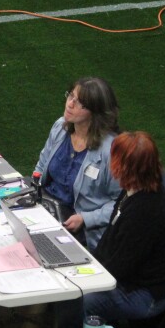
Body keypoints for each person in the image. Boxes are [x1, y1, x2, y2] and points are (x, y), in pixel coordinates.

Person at [85, 131, 165, 323]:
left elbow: (121, 266)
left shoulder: (145, 211)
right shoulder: (133, 191)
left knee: (80, 301)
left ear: (125, 167)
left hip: (146, 294)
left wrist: (86, 278)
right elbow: (111, 240)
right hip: (130, 279)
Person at [34, 77, 123, 250]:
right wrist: (33, 191)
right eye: (71, 96)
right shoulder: (60, 127)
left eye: (80, 103)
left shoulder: (111, 150)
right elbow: (42, 164)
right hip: (46, 206)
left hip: (79, 227)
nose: (70, 104)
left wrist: (86, 219)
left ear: (96, 112)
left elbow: (121, 203)